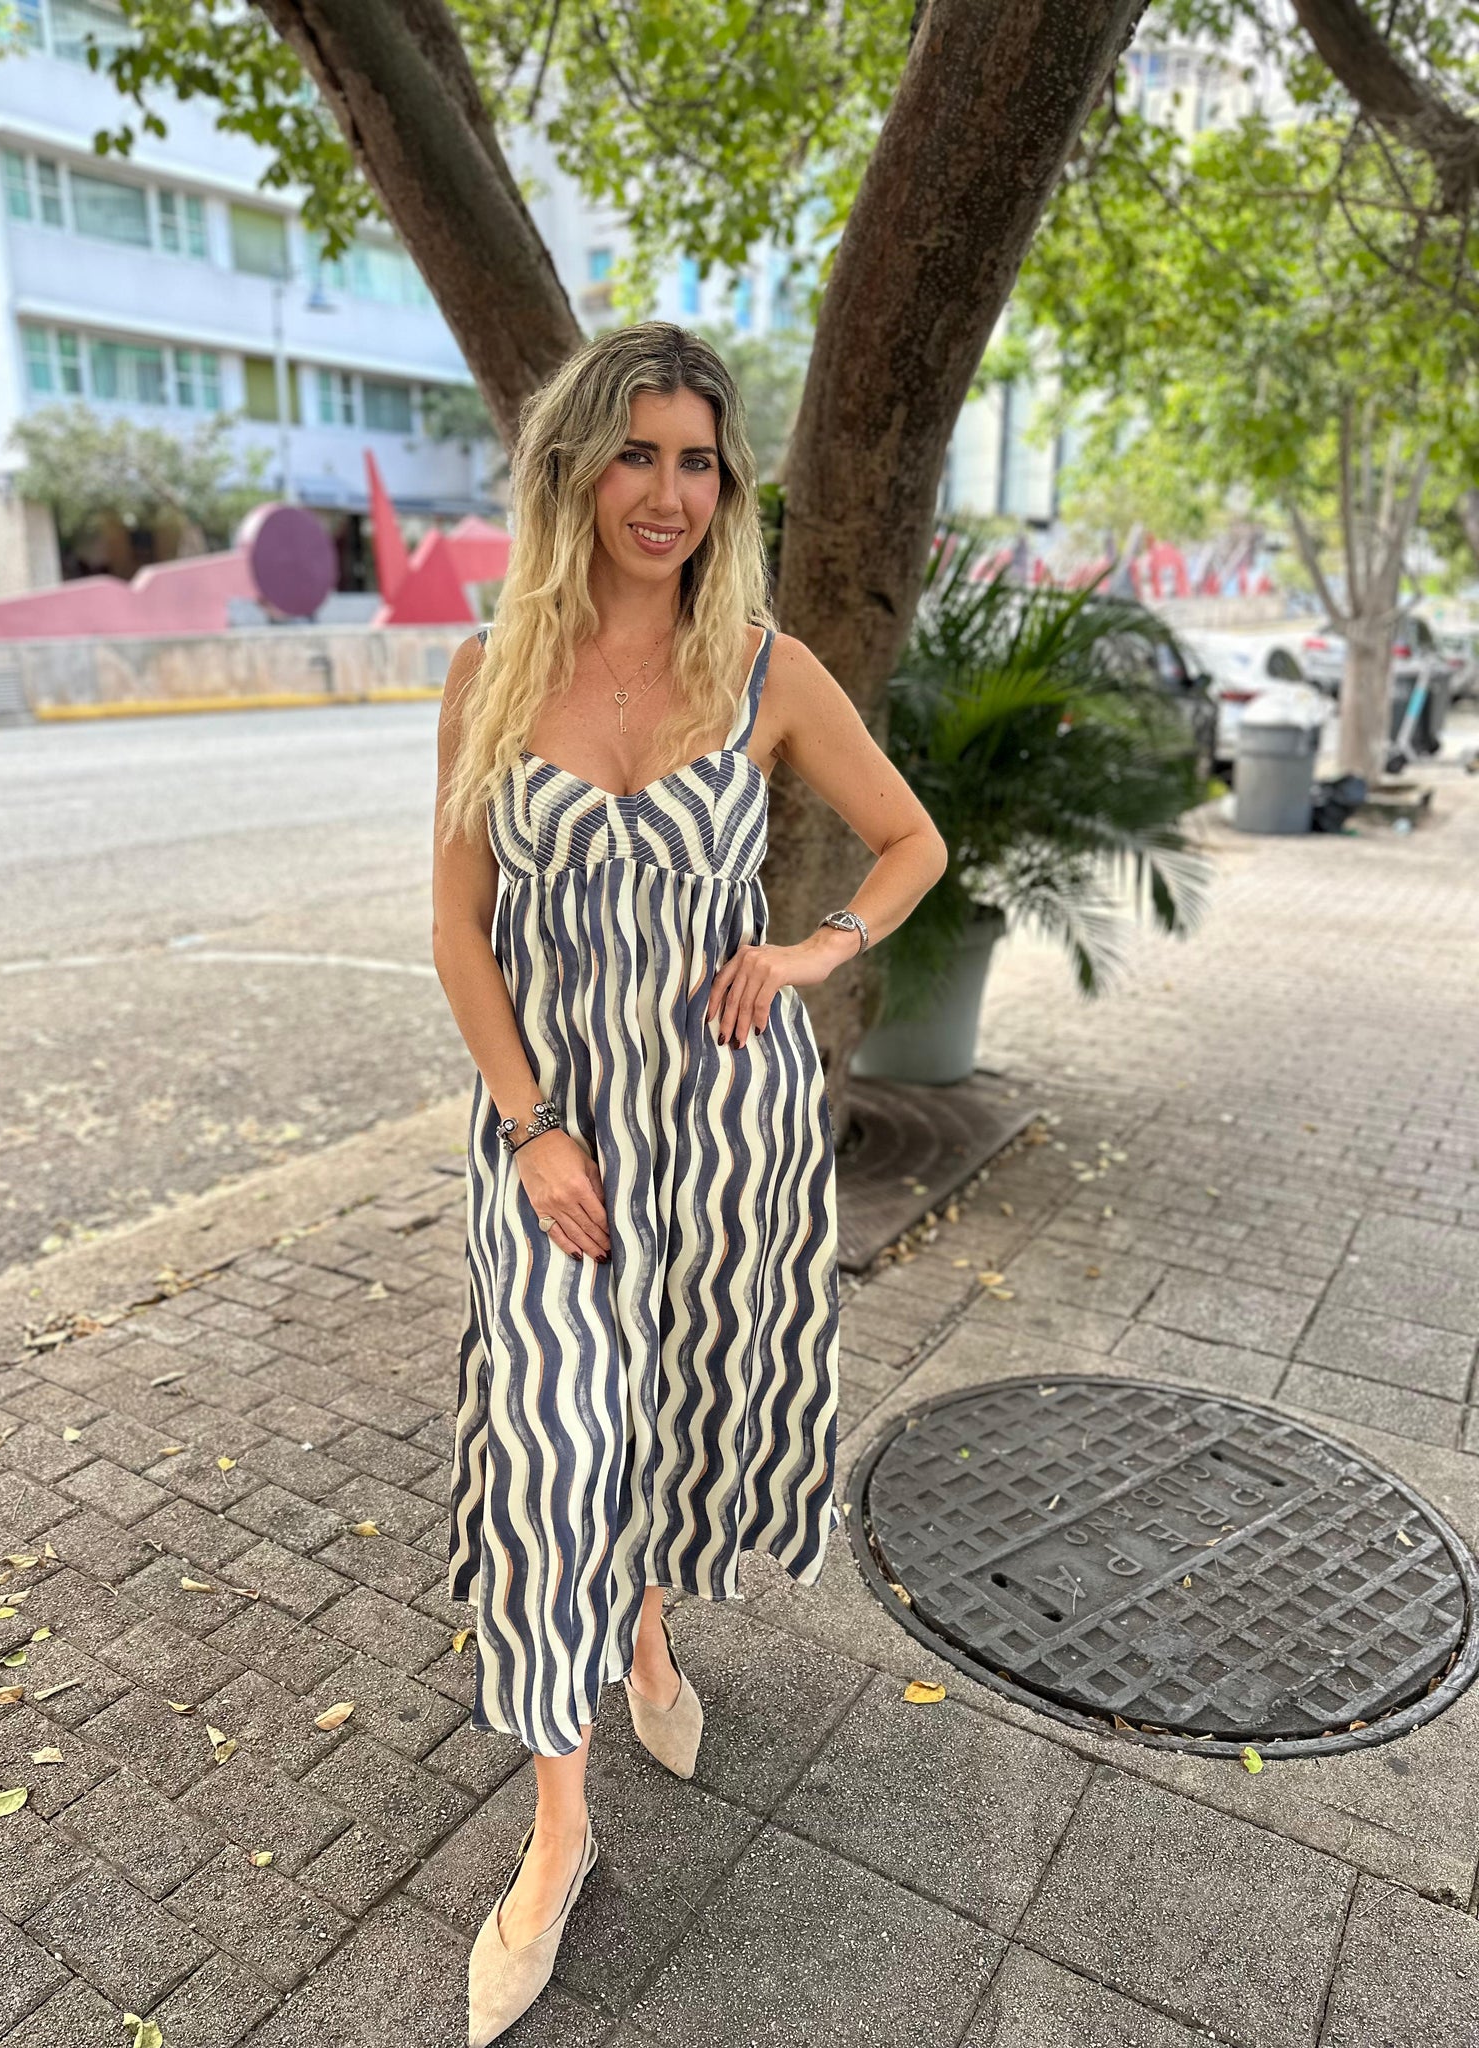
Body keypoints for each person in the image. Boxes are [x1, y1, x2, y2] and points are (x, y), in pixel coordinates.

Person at [430, 320, 947, 2046]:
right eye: (637, 454)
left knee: (664, 1410)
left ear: (728, 486)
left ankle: (648, 1629)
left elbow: (913, 840)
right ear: (575, 466)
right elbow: (458, 930)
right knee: (554, 1440)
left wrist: (814, 950)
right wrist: (529, 1125)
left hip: (724, 1130)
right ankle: (557, 1834)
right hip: (553, 1137)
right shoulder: (490, 671)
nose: (667, 491)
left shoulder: (764, 668)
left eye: (699, 461)